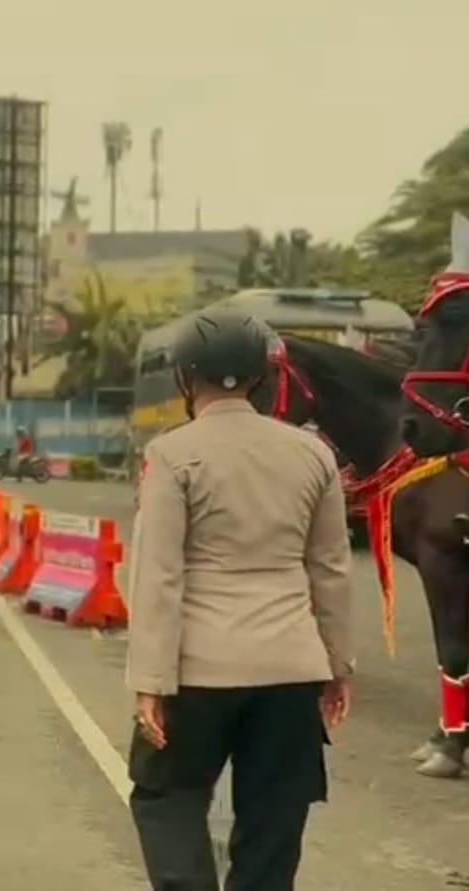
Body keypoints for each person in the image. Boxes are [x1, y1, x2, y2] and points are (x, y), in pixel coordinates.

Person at [126, 308, 355, 891]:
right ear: (260, 377)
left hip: (198, 672)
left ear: (185, 377)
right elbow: (330, 568)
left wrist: (150, 680)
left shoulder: (172, 454)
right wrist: (338, 667)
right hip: (289, 669)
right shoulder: (314, 455)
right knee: (274, 824)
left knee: (167, 798)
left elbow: (158, 573)